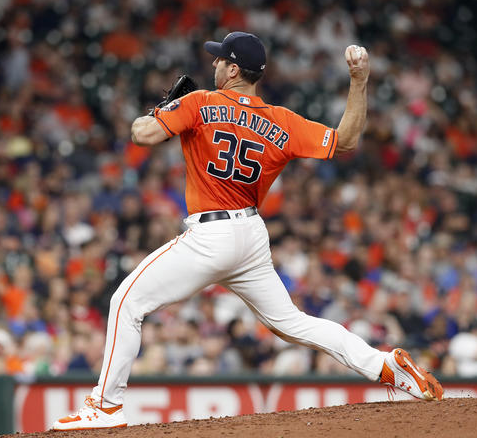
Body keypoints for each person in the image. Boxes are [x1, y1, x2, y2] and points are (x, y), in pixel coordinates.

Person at [53, 31, 444, 431]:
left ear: (234, 69)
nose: (213, 65)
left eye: (220, 60)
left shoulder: (201, 101)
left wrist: (163, 110)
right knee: (292, 322)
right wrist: (359, 82)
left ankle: (105, 405)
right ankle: (383, 365)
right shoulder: (282, 119)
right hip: (251, 236)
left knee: (124, 302)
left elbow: (143, 135)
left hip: (211, 235)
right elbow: (345, 141)